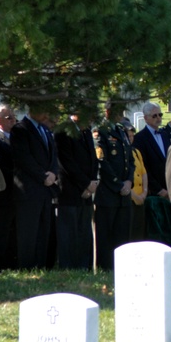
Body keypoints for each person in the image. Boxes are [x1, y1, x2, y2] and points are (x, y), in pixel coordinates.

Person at [11, 105, 60, 269]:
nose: (46, 112)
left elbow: (53, 156)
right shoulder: (20, 129)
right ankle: (26, 267)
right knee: (28, 232)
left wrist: (53, 173)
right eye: (44, 108)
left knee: (43, 231)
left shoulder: (44, 130)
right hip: (29, 190)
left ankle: (41, 266)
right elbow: (24, 159)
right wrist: (43, 176)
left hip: (46, 189)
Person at [54, 113, 99, 268]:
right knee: (69, 234)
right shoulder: (63, 131)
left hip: (87, 192)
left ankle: (84, 267)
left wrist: (92, 182)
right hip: (70, 191)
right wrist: (85, 184)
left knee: (84, 233)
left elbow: (93, 159)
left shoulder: (86, 132)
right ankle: (68, 268)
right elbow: (67, 163)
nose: (92, 118)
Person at [94, 103, 134, 269]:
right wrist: (118, 185)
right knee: (106, 236)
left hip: (124, 194)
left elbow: (130, 160)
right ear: (108, 111)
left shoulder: (121, 130)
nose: (121, 114)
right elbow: (102, 161)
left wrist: (129, 181)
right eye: (118, 111)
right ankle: (105, 268)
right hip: (108, 193)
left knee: (122, 235)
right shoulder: (100, 131)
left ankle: (121, 267)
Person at [0, 104, 18, 270]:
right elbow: (0, 166)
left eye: (14, 116)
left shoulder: (18, 137)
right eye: (9, 117)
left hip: (18, 194)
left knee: (14, 234)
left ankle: (12, 264)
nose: (14, 120)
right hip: (2, 195)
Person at [134, 102, 170, 199]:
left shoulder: (165, 134)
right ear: (146, 118)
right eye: (154, 116)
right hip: (153, 192)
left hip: (169, 188)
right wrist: (158, 189)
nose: (158, 118)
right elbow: (143, 167)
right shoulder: (139, 138)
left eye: (160, 115)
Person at [125, 125, 148, 241]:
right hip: (130, 199)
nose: (131, 138)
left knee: (139, 234)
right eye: (128, 136)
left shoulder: (136, 151)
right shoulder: (123, 153)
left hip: (141, 198)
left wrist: (144, 192)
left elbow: (144, 173)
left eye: (132, 136)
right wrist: (135, 196)